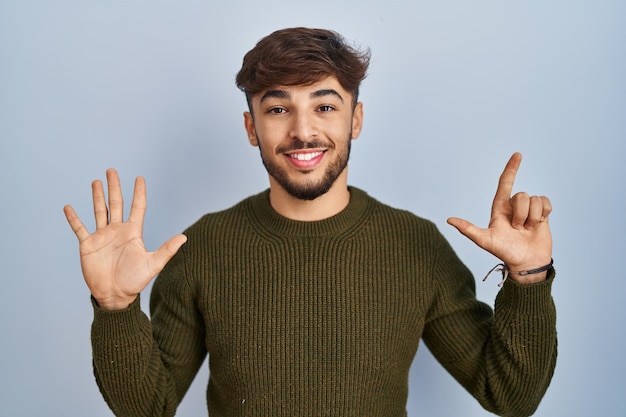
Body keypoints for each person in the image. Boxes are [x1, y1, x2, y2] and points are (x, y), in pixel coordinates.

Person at [63, 27, 557, 417]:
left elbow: (510, 397)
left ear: (355, 120)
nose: (303, 131)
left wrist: (529, 280)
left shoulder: (415, 245)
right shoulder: (204, 246)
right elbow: (148, 409)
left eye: (324, 105)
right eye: (278, 108)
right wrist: (116, 306)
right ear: (251, 127)